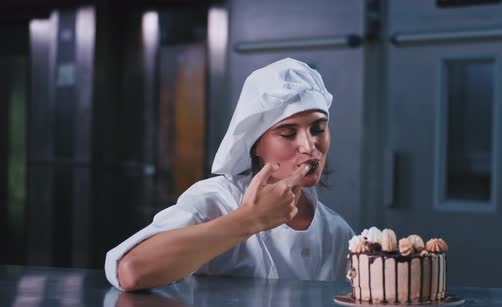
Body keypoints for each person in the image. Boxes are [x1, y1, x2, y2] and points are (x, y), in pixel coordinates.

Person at [104, 58, 355, 291]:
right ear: (257, 144)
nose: (310, 147)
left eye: (318, 129)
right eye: (288, 133)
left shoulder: (336, 233)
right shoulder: (216, 201)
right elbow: (132, 271)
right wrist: (249, 219)